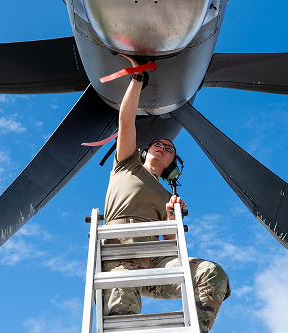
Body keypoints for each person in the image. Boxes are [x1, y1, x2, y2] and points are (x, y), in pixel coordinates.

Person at [103, 54, 231, 333]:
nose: (162, 146)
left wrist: (173, 217)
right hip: (120, 253)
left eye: (169, 147)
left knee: (213, 273)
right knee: (122, 303)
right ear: (145, 150)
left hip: (155, 263)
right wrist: (138, 77)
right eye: (158, 143)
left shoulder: (166, 195)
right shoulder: (126, 164)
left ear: (173, 165)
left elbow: (172, 242)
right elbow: (126, 121)